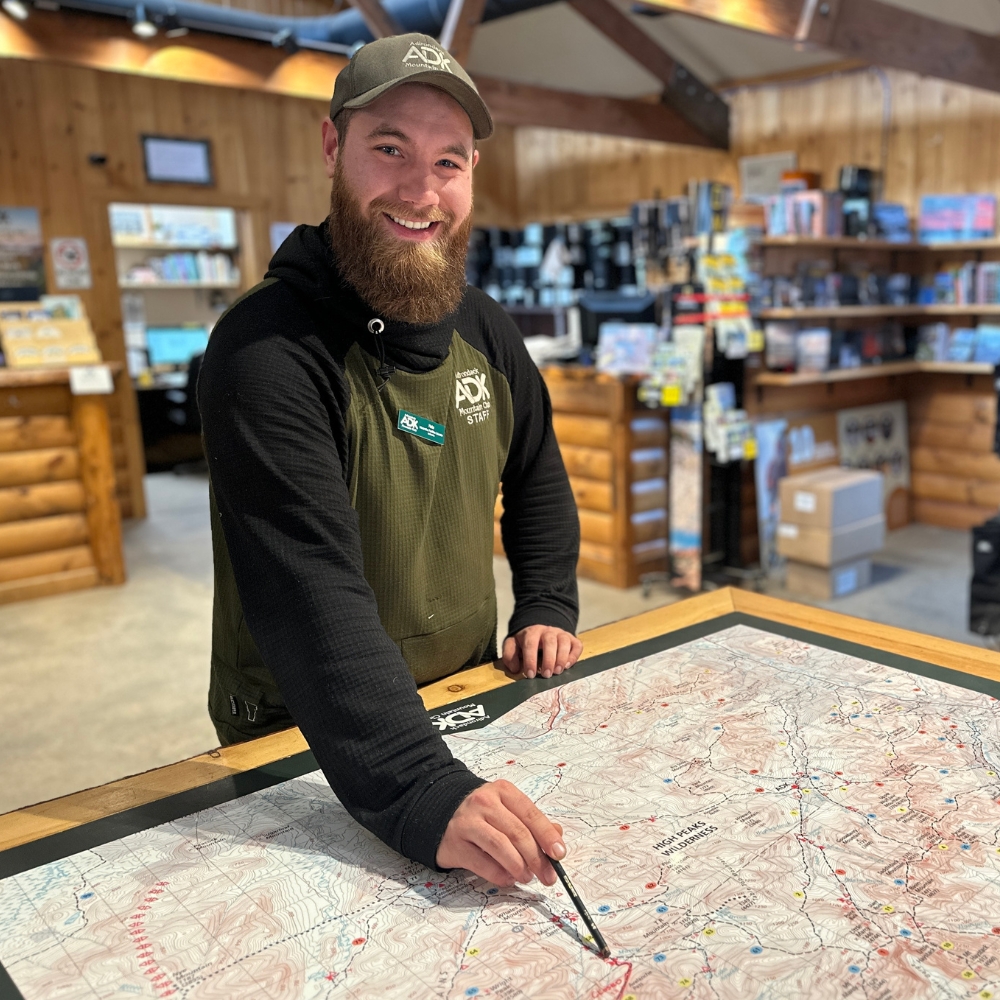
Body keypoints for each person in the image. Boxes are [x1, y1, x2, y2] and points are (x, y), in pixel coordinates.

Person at [198, 33, 582, 889]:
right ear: (334, 148)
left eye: (449, 160)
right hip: (304, 723)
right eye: (389, 149)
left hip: (460, 692)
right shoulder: (266, 351)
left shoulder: (484, 328)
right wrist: (416, 784)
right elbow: (308, 587)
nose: (421, 190)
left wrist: (547, 598)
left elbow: (538, 473)